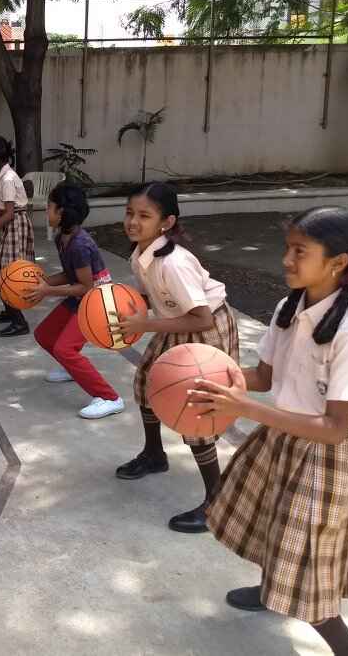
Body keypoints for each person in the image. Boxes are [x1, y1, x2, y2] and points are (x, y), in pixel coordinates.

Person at [190, 206, 348, 656]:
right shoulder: (287, 308)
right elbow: (265, 376)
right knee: (266, 520)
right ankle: (266, 592)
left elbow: (335, 428)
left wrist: (246, 409)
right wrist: (209, 374)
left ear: (337, 263)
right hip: (285, 436)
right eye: (287, 248)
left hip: (327, 455)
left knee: (307, 570)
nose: (287, 260)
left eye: (300, 251)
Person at [112, 182, 239, 534]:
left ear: (166, 223)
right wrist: (122, 314)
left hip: (206, 327)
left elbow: (202, 318)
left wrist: (146, 323)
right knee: (144, 383)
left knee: (195, 412)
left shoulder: (174, 263)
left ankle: (217, 500)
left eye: (144, 216)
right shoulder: (141, 254)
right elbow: (146, 295)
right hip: (176, 321)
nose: (133, 222)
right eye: (129, 213)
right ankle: (155, 454)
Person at [28, 184, 125, 418]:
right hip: (81, 296)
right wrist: (45, 282)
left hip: (96, 301)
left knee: (65, 348)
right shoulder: (63, 237)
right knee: (44, 335)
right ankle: (71, 368)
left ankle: (110, 398)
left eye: (49, 207)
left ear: (61, 212)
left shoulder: (80, 244)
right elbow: (70, 275)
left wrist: (46, 291)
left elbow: (85, 285)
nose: (45, 211)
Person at [0, 136, 35, 337]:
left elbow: (9, 213)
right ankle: (8, 312)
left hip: (14, 225)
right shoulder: (1, 177)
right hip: (8, 225)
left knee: (8, 274)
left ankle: (19, 321)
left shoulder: (8, 179)